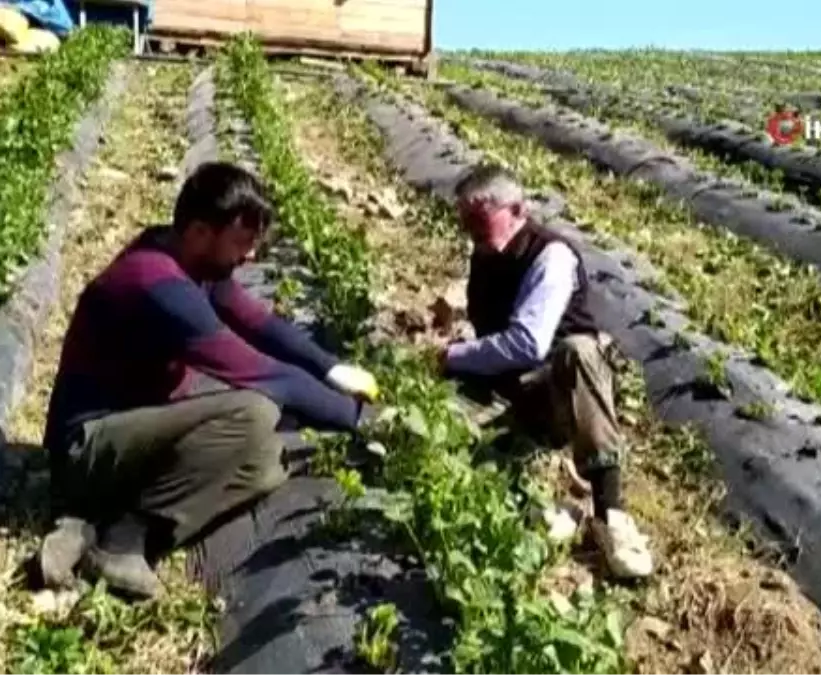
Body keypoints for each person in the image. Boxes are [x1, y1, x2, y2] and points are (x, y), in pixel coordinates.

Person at [37, 161, 381, 598]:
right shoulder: (157, 285)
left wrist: (331, 367)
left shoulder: (187, 258)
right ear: (200, 232)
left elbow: (261, 325)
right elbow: (268, 374)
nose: (249, 256)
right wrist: (367, 421)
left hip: (139, 426)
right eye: (242, 242)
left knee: (266, 460)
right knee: (254, 413)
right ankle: (113, 530)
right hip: (87, 447)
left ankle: (125, 528)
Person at [435, 163, 653, 579]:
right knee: (436, 425)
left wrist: (455, 355)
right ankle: (536, 503)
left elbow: (527, 343)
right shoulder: (486, 254)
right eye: (464, 218)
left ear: (516, 209)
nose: (469, 228)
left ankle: (612, 517)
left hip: (560, 394)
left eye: (478, 217)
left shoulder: (550, 256)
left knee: (580, 351)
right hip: (510, 393)